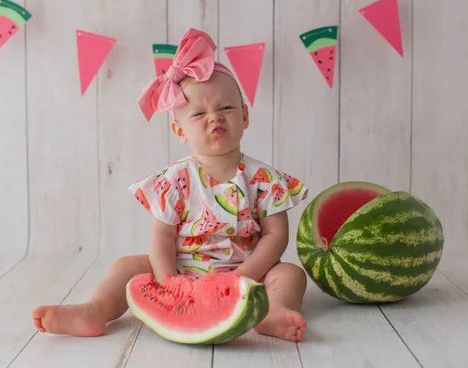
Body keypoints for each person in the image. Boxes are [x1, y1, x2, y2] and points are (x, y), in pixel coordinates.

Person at [32, 28, 310, 342]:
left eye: (226, 108)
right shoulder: (174, 181)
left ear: (245, 116)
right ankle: (95, 310)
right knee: (127, 267)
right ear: (179, 131)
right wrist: (168, 281)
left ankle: (273, 311)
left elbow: (276, 236)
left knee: (289, 274)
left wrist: (243, 276)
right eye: (199, 113)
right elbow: (162, 238)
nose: (214, 118)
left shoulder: (265, 179)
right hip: (181, 271)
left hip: (249, 272)